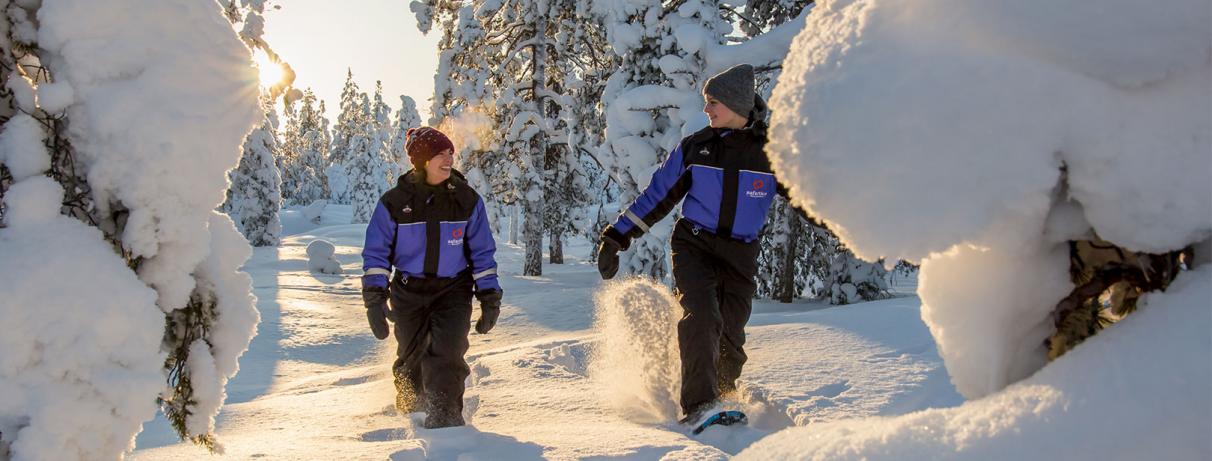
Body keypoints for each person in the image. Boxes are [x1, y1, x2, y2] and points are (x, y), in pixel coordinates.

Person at [597, 64, 793, 424]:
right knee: (702, 316)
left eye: (713, 102)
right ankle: (700, 406)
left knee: (731, 332)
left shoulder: (771, 155)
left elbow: (810, 199)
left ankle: (723, 397)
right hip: (695, 246)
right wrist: (617, 236)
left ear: (736, 105)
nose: (706, 109)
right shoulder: (696, 148)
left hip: (740, 253)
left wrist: (849, 225)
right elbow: (657, 196)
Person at [361, 126, 502, 429]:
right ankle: (410, 416)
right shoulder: (394, 202)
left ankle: (447, 420)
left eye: (450, 152)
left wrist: (489, 296)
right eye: (440, 153)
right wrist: (374, 298)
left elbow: (482, 253)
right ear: (422, 160)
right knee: (410, 358)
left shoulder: (466, 199)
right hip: (408, 290)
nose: (449, 158)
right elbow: (376, 254)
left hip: (453, 289)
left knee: (448, 353)